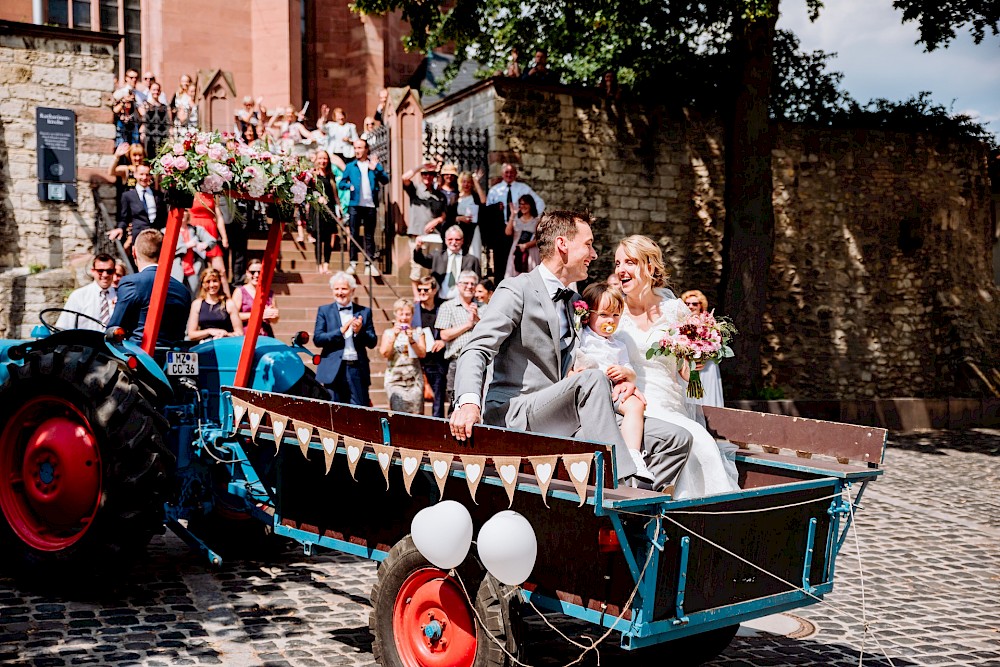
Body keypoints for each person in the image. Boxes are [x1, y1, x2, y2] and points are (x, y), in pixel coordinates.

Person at [449, 210, 693, 491]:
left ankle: (631, 507)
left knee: (676, 438)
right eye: (588, 244)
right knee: (590, 381)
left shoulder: (577, 301)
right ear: (563, 244)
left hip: (569, 411)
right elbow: (476, 348)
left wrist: (625, 382)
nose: (594, 254)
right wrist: (468, 402)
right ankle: (620, 482)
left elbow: (598, 351)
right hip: (518, 411)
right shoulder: (517, 289)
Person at [614, 236, 740, 498]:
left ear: (649, 267)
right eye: (617, 263)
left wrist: (697, 356)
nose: (620, 270)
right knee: (688, 441)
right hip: (632, 404)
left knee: (702, 445)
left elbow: (685, 372)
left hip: (670, 403)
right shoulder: (614, 311)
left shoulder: (674, 310)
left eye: (630, 262)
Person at [573, 282, 654, 483]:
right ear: (588, 315)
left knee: (637, 404)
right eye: (604, 315)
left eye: (616, 315)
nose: (611, 320)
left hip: (614, 391)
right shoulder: (582, 338)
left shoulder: (618, 344)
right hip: (593, 393)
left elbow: (630, 370)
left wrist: (624, 372)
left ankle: (634, 455)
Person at [107, 229, 192, 346]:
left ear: (134, 252)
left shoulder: (132, 282)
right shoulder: (182, 290)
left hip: (140, 354)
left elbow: (115, 328)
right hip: (173, 354)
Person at [314, 272, 377, 405]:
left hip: (357, 368)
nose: (340, 292)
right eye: (336, 289)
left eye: (344, 288)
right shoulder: (324, 311)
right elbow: (318, 339)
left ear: (352, 290)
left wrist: (359, 332)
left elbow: (372, 342)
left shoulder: (364, 312)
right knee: (333, 412)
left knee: (360, 410)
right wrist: (340, 331)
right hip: (333, 369)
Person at [485, 164, 545, 281]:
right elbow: (488, 211)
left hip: (519, 229)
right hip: (502, 230)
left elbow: (539, 202)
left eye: (511, 172)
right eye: (506, 172)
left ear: (516, 174)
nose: (509, 175)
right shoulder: (495, 190)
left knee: (518, 260)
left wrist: (533, 220)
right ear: (502, 174)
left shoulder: (523, 188)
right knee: (500, 260)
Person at [338, 138, 389, 276]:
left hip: (370, 205)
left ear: (366, 149)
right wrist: (350, 186)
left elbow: (385, 180)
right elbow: (341, 184)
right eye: (355, 148)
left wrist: (377, 169)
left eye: (360, 148)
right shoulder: (350, 166)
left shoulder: (373, 165)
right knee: (353, 234)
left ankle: (369, 263)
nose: (357, 151)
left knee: (369, 235)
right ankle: (353, 263)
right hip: (355, 205)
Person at [436, 271, 482, 414]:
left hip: (481, 362)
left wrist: (477, 320)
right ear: (458, 285)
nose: (469, 287)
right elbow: (444, 334)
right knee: (454, 401)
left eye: (472, 284)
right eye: (465, 283)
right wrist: (468, 325)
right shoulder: (447, 307)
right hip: (457, 361)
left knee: (479, 400)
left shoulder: (484, 307)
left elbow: (491, 332)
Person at [401, 162, 448, 292]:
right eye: (425, 174)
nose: (428, 176)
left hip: (434, 236)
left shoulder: (440, 195)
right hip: (418, 235)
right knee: (417, 267)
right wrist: (421, 166)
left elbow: (444, 215)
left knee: (432, 267)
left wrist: (436, 221)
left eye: (431, 174)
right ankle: (417, 297)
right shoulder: (415, 190)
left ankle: (430, 295)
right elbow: (404, 178)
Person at [681, 289, 726, 415]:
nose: (690, 306)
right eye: (687, 303)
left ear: (701, 305)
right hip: (688, 363)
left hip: (707, 364)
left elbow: (717, 342)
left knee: (707, 391)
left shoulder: (709, 322)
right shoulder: (681, 322)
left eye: (694, 304)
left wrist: (705, 352)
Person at [379, 298, 427, 414]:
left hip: (414, 379)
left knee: (416, 414)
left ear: (412, 315)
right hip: (395, 379)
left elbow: (422, 353)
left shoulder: (418, 332)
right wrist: (394, 337)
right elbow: (384, 353)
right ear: (396, 314)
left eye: (407, 314)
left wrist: (411, 339)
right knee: (396, 414)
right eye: (401, 314)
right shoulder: (388, 333)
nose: (404, 317)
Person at [412, 276, 449, 418]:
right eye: (419, 289)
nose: (422, 292)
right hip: (418, 361)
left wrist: (443, 342)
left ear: (434, 290)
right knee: (417, 400)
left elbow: (449, 330)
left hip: (438, 360)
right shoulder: (413, 310)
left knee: (438, 399)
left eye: (426, 290)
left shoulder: (443, 308)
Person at [412, 226, 481, 301]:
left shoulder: (472, 260)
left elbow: (478, 282)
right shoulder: (437, 256)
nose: (453, 242)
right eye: (450, 239)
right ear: (445, 240)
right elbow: (420, 260)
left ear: (462, 241)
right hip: (440, 300)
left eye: (457, 239)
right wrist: (418, 247)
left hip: (463, 301)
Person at [108, 164, 166, 248]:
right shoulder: (128, 196)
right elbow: (124, 218)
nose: (144, 177)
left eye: (147, 174)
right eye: (141, 174)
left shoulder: (158, 195)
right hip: (139, 236)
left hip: (156, 236)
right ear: (135, 175)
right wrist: (120, 228)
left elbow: (163, 217)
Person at [56, 253, 118, 331]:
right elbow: (63, 326)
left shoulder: (120, 296)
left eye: (109, 271)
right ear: (93, 271)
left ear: (114, 271)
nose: (105, 275)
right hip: (85, 342)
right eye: (100, 271)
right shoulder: (79, 296)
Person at [312, 149, 346, 274]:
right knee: (319, 238)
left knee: (328, 238)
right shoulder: (313, 175)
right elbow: (309, 192)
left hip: (329, 208)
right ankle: (319, 264)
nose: (323, 161)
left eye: (325, 158)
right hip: (317, 209)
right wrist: (317, 198)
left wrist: (339, 205)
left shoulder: (331, 175)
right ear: (316, 160)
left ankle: (326, 264)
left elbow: (334, 193)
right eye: (320, 158)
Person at [189, 193, 230, 296]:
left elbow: (219, 216)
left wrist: (224, 237)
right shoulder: (190, 191)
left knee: (221, 270)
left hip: (210, 231)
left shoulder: (212, 193)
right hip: (195, 230)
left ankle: (226, 299)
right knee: (197, 268)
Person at [186, 268, 243, 341]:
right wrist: (209, 331)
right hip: (204, 344)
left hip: (225, 343)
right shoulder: (197, 304)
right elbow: (191, 334)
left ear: (220, 282)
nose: (212, 285)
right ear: (203, 284)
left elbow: (239, 333)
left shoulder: (229, 304)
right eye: (208, 282)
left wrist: (226, 334)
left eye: (215, 281)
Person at [171, 209, 217, 296]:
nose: (183, 213)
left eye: (185, 210)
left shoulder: (196, 229)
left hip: (194, 269)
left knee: (193, 295)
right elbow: (167, 249)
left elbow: (212, 241)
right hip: (176, 269)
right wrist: (186, 246)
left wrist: (204, 245)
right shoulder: (168, 231)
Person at [233, 259, 279, 336]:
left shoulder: (269, 293)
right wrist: (259, 315)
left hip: (265, 334)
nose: (256, 275)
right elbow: (234, 316)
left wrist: (272, 315)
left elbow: (275, 320)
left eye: (259, 272)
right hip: (246, 334)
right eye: (253, 272)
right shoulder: (240, 292)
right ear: (247, 273)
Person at [505, 194, 541, 277]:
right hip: (516, 251)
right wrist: (512, 215)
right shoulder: (515, 220)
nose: (523, 206)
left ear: (531, 205)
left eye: (525, 204)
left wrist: (526, 245)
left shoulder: (537, 221)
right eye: (521, 204)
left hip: (531, 252)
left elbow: (540, 239)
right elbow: (508, 233)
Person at [455, 169, 487, 258]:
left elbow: (484, 200)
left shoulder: (475, 197)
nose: (466, 184)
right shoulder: (456, 197)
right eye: (464, 182)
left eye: (469, 182)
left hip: (473, 229)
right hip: (459, 229)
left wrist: (476, 181)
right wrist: (460, 218)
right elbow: (451, 216)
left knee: (474, 254)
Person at [139, 80, 170, 158]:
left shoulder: (163, 106)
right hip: (149, 135)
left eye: (158, 90)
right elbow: (143, 119)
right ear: (150, 90)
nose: (156, 92)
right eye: (154, 90)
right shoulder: (145, 104)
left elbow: (167, 121)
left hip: (161, 134)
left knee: (161, 154)